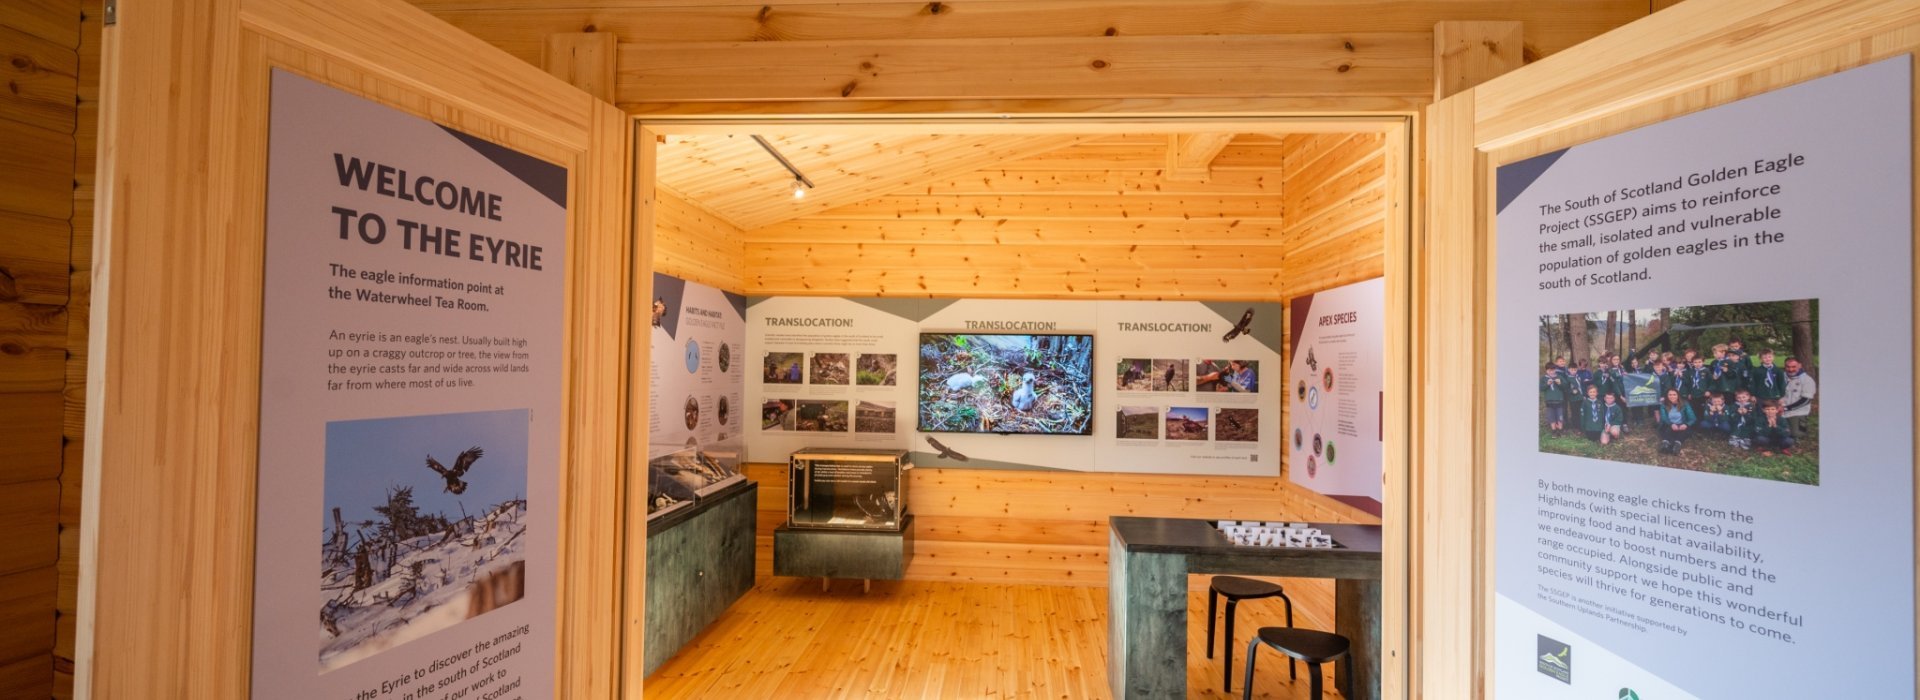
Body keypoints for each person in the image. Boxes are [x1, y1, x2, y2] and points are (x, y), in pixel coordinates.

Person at [1781, 357, 1816, 437]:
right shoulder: (1780, 377)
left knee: (1797, 434)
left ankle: (1801, 425)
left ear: (1800, 366)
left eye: (1794, 367)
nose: (1790, 369)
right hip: (1780, 411)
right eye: (1788, 367)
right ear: (1784, 366)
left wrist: (1786, 408)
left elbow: (1806, 400)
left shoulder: (1807, 380)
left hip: (1797, 412)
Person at [1655, 388, 1695, 455]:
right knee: (1665, 428)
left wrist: (1686, 424)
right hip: (1669, 424)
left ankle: (1677, 445)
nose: (1672, 396)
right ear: (1667, 396)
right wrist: (1671, 424)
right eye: (1670, 395)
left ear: (1678, 395)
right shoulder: (1663, 404)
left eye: (1674, 394)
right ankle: (1665, 444)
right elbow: (1664, 417)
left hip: (1681, 425)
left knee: (1685, 430)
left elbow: (1692, 418)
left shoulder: (1685, 404)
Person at [1541, 362, 1569, 432]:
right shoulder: (1544, 378)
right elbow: (1541, 388)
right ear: (1546, 370)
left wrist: (1560, 383)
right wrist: (1547, 384)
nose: (1551, 372)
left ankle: (1560, 429)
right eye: (1549, 370)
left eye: (1553, 370)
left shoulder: (1559, 377)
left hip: (1559, 401)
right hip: (1549, 401)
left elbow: (1566, 387)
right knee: (1551, 416)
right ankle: (1554, 430)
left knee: (1560, 415)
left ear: (1555, 370)